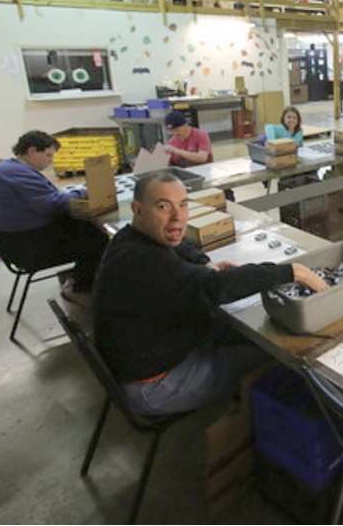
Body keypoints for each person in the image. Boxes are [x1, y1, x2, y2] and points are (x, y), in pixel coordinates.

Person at [93, 172, 328, 416]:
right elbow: (218, 287)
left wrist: (203, 261)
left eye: (183, 205)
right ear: (137, 209)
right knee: (276, 354)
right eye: (163, 206)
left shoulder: (130, 237)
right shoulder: (147, 262)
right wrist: (291, 271)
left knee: (239, 332)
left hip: (146, 357)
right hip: (154, 387)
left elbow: (178, 242)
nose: (177, 217)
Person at [0, 130, 109, 303]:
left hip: (19, 237)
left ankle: (80, 276)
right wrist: (83, 190)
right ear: (32, 150)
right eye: (48, 155)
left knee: (85, 226)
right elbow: (52, 205)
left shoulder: (10, 168)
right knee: (99, 238)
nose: (51, 161)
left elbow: (47, 199)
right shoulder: (16, 173)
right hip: (27, 247)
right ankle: (79, 288)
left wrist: (71, 192)